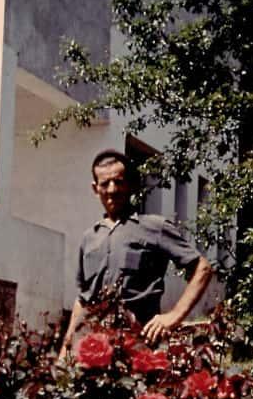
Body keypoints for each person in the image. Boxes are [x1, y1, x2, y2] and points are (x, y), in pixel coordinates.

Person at [59, 149, 214, 359]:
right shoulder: (89, 238)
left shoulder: (154, 227)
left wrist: (173, 316)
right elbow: (82, 299)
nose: (112, 190)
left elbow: (202, 268)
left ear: (131, 184)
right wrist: (67, 349)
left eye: (119, 182)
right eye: (105, 184)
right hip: (93, 349)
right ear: (95, 189)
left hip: (137, 344)